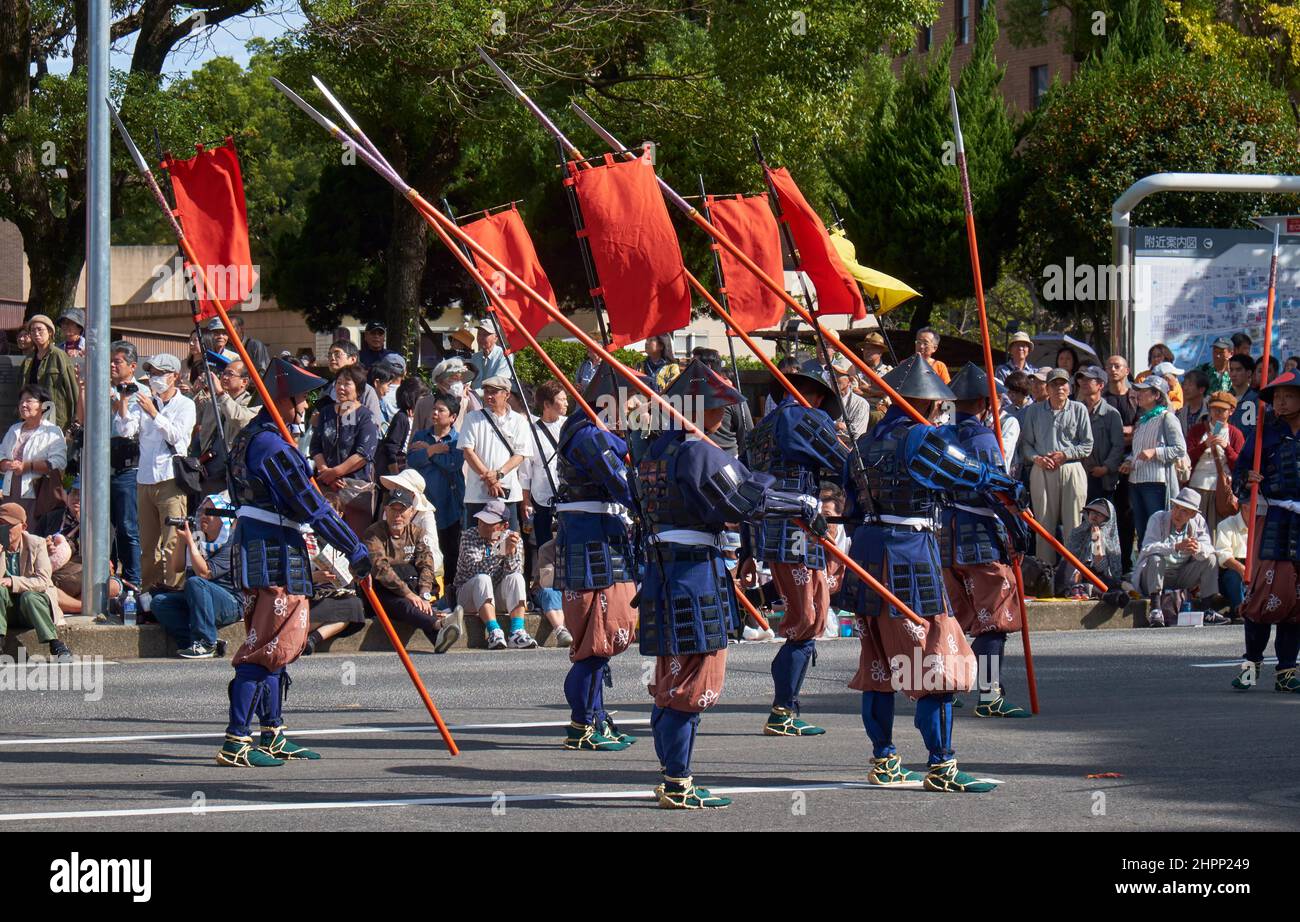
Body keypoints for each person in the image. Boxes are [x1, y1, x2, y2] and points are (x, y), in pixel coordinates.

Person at [638, 357, 828, 809]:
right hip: (693, 572)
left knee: (672, 673)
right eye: (718, 406)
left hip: (662, 567)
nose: (724, 416)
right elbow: (745, 499)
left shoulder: (652, 452)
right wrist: (799, 500)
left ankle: (672, 775)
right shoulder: (698, 450)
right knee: (694, 676)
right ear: (701, 409)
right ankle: (678, 780)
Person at [846, 355, 1024, 792]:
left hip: (868, 552)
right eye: (937, 405)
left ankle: (884, 759)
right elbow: (965, 472)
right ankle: (941, 766)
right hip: (908, 556)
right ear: (925, 404)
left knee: (880, 666)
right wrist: (1002, 483)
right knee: (934, 664)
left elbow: (850, 508)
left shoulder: (864, 443)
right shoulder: (920, 437)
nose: (941, 412)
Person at [218, 359, 371, 768]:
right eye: (300, 399)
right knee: (264, 646)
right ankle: (236, 739)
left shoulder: (254, 438)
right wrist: (353, 547)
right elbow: (312, 507)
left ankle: (272, 732)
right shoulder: (270, 445)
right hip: (271, 551)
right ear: (282, 399)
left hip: (266, 545)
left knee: (276, 647)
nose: (304, 407)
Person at [741, 362, 848, 736]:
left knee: (808, 618)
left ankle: (786, 706)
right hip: (798, 528)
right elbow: (843, 464)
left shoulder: (760, 429)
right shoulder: (805, 418)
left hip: (771, 528)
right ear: (814, 393)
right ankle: (782, 710)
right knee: (806, 620)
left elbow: (745, 489)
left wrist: (746, 550)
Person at [552, 368, 641, 749]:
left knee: (602, 639)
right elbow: (622, 484)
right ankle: (582, 725)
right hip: (593, 543)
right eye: (631, 406)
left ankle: (597, 717)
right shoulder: (589, 435)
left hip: (602, 537)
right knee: (596, 640)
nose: (635, 414)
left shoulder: (597, 432)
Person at [939, 364, 1030, 718]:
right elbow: (995, 489)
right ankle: (989, 694)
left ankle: (949, 684)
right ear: (983, 402)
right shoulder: (982, 439)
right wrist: (1017, 527)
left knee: (957, 618)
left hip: (945, 535)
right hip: (979, 535)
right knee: (994, 618)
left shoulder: (942, 437)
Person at [1231, 370, 1300, 693]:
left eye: (1288, 395)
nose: (1281, 402)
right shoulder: (1264, 434)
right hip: (1273, 518)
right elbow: (1240, 470)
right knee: (1263, 594)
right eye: (1277, 397)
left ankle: (1287, 670)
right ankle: (1251, 664)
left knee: (1297, 603)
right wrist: (1249, 478)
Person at [113, 353, 195, 599]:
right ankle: (148, 594)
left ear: (175, 376)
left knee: (172, 544)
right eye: (152, 374)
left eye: (161, 374)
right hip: (145, 479)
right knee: (148, 546)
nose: (155, 379)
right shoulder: (143, 400)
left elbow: (177, 437)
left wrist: (154, 413)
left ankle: (174, 593)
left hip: (170, 479)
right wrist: (124, 403)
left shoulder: (186, 405)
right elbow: (126, 429)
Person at [363, 488, 463, 653]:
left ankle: (438, 637)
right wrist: (408, 593)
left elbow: (426, 563)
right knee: (405, 603)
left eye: (402, 510)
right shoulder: (373, 533)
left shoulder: (417, 533)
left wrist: (424, 594)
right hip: (384, 590)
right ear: (386, 510)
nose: (397, 515)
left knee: (417, 601)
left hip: (413, 585)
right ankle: (440, 624)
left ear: (411, 512)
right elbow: (380, 568)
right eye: (393, 509)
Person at [150, 495, 242, 658]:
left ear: (223, 518)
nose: (203, 516)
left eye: (209, 512)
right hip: (199, 599)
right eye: (201, 512)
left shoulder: (231, 542)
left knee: (195, 582)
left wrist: (191, 543)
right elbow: (177, 567)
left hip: (230, 602)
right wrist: (181, 539)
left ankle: (207, 643)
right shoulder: (199, 537)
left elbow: (205, 573)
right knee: (159, 602)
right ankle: (194, 642)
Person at [1019, 368, 1093, 566]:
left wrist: (1066, 454)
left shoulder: (1079, 409)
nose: (1059, 388)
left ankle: (1074, 578)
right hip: (1042, 469)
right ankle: (1046, 576)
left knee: (1075, 526)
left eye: (1063, 384)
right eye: (1054, 384)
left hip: (1072, 468)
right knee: (1043, 526)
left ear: (1069, 387)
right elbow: (1026, 444)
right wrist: (1037, 459)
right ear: (1047, 388)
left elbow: (1087, 445)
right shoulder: (1034, 410)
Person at [452, 499, 536, 650]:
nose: (482, 525)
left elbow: (514, 571)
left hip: (496, 595)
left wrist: (510, 552)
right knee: (482, 579)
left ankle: (517, 632)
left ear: (504, 526)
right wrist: (501, 551)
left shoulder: (512, 538)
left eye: (489, 522)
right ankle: (493, 631)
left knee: (516, 578)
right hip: (468, 595)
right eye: (481, 520)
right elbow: (476, 570)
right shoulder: (469, 536)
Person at [1134, 487, 1218, 628]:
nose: (1177, 513)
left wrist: (1198, 548)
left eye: (1184, 510)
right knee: (1156, 558)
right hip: (1153, 576)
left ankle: (1207, 610)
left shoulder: (1198, 522)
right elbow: (1147, 548)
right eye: (1176, 507)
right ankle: (1155, 609)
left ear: (1192, 514)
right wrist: (1175, 547)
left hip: (1181, 575)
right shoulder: (1158, 518)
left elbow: (1209, 547)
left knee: (1211, 559)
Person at [310, 365, 379, 535]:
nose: (341, 387)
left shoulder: (365, 415)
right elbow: (315, 446)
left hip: (355, 490)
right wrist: (326, 472)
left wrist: (337, 472)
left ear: (359, 388)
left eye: (347, 383)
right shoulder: (326, 413)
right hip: (326, 485)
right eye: (338, 382)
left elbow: (364, 453)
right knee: (325, 540)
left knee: (354, 539)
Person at [408, 394, 465, 599]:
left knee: (451, 550)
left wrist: (430, 453)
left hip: (450, 503)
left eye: (441, 410)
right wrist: (434, 448)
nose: (435, 413)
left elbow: (453, 463)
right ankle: (428, 590)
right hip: (424, 502)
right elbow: (413, 460)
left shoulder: (458, 439)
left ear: (453, 417)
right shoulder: (421, 436)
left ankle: (450, 592)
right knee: (424, 548)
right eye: (434, 409)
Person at [1120, 376, 1186, 552]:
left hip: (1156, 483)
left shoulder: (1168, 418)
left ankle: (1158, 571)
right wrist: (1129, 461)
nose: (1138, 394)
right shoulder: (1142, 421)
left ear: (1157, 395)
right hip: (1136, 482)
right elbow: (1137, 452)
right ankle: (1144, 570)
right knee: (1142, 531)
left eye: (1143, 391)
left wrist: (1155, 452)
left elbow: (1180, 449)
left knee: (1157, 530)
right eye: (1138, 390)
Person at [0, 502, 73, 661]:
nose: (4, 530)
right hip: (7, 610)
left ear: (23, 526)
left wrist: (13, 581)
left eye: (9, 525)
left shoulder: (36, 543)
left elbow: (42, 581)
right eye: (1, 524)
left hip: (32, 609)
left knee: (30, 596)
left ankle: (56, 644)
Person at [458, 375, 531, 531]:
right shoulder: (472, 418)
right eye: (486, 392)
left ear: (507, 394)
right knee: (473, 542)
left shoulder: (519, 421)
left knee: (508, 543)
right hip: (476, 493)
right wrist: (489, 478)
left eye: (494, 392)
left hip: (507, 493)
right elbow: (468, 452)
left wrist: (498, 475)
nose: (489, 396)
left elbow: (520, 454)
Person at [0, 384, 68, 528]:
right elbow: (1, 453)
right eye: (21, 402)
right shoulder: (14, 429)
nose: (23, 405)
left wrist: (27, 466)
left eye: (29, 401)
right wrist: (5, 463)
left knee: (31, 536)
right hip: (10, 493)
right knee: (9, 536)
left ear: (43, 405)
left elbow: (59, 462)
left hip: (36, 495)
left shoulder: (52, 431)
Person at [109, 342, 142, 590]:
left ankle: (134, 580)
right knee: (105, 528)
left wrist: (120, 400)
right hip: (103, 469)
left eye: (117, 361)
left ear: (132, 366)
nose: (112, 365)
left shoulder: (140, 393)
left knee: (127, 527)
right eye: (111, 360)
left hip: (129, 468)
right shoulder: (105, 390)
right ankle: (107, 578)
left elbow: (129, 430)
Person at [1186, 391, 1243, 533]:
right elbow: (1187, 457)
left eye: (1222, 409)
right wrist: (1204, 445)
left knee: (1216, 530)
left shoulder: (1234, 434)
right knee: (1193, 530)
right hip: (1196, 486)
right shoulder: (1197, 430)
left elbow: (1240, 465)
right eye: (1214, 408)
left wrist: (1227, 447)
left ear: (1231, 411)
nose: (1217, 412)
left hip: (1220, 489)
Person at [1074, 365, 1124, 503]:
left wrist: (1106, 468)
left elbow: (1118, 446)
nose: (1083, 383)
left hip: (1102, 479)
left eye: (1088, 380)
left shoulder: (1111, 414)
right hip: (1078, 475)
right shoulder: (1075, 410)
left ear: (1101, 385)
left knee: (1101, 521)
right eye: (1081, 379)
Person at [21, 315, 78, 430]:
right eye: (32, 330)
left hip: (55, 419)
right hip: (32, 419)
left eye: (40, 329)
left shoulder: (59, 355)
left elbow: (72, 390)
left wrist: (75, 420)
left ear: (50, 332)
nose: (36, 333)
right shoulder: (28, 360)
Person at [468, 320, 515, 394]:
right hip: (475, 400)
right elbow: (469, 378)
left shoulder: (505, 355)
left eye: (485, 334)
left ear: (496, 337)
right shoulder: (475, 357)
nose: (481, 337)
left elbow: (499, 383)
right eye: (479, 334)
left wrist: (473, 393)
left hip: (495, 400)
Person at [1228, 354, 1259, 435]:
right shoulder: (1224, 398)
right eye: (1231, 370)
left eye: (1238, 370)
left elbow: (1254, 431)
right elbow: (1218, 422)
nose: (1233, 374)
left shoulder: (1255, 399)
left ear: (1248, 373)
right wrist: (1215, 436)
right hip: (1223, 445)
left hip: (1245, 446)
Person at [1177, 369, 1210, 435]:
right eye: (1185, 384)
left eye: (1190, 385)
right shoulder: (1181, 414)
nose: (1185, 388)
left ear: (1201, 390)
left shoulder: (1212, 409)